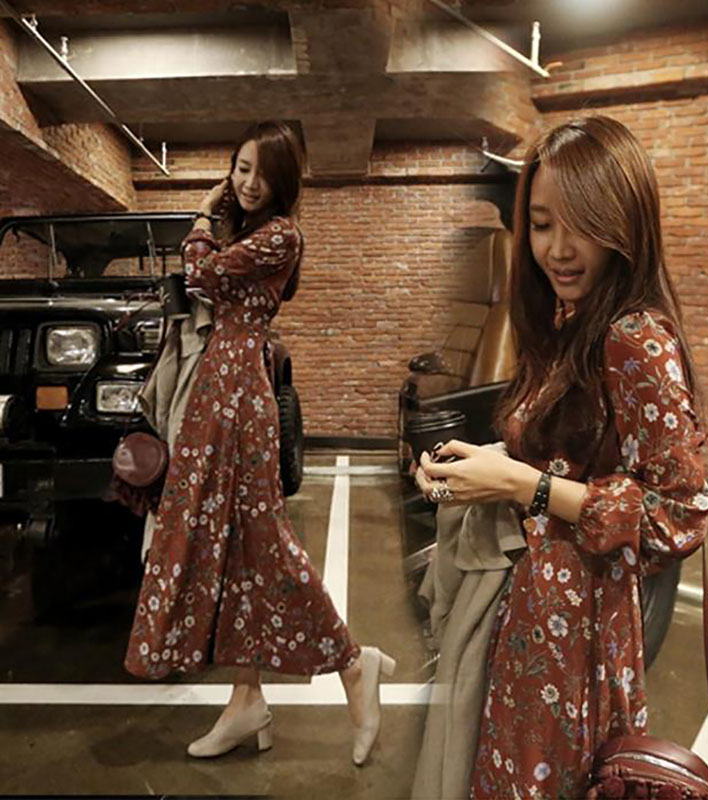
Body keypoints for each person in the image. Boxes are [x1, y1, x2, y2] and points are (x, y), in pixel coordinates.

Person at [414, 115, 708, 798]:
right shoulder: (573, 321)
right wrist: (475, 472)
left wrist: (527, 486)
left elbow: (681, 512)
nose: (558, 249)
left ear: (625, 223)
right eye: (542, 224)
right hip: (534, 610)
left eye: (582, 225)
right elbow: (566, 457)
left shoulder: (635, 337)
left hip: (577, 629)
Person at [125, 122, 395, 765]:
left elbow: (200, 272)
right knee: (231, 548)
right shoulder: (251, 233)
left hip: (241, 397)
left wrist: (201, 213)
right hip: (216, 390)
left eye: (261, 173)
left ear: (283, 181)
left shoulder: (281, 235)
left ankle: (354, 663)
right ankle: (246, 700)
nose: (248, 183)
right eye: (240, 168)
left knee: (263, 541)